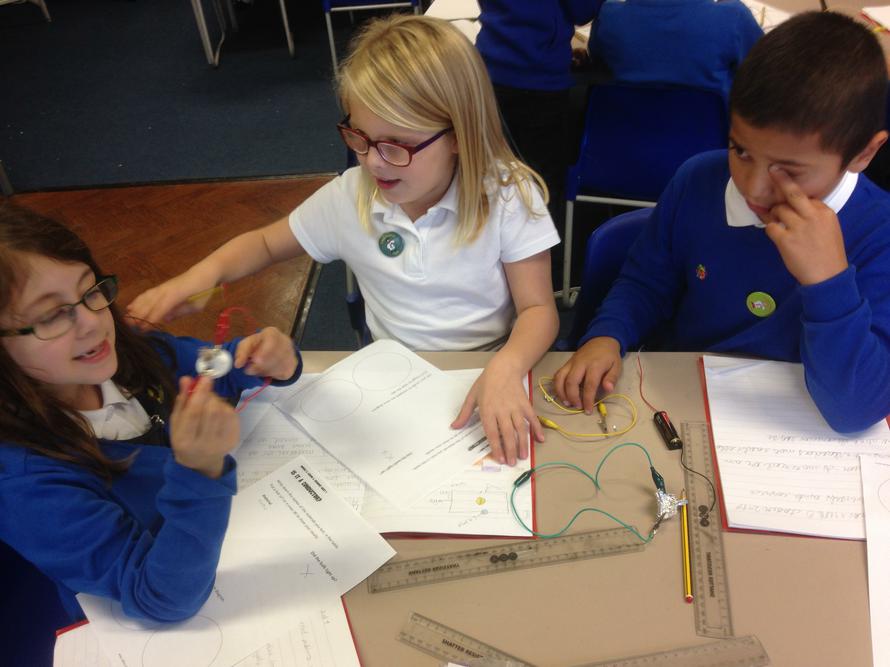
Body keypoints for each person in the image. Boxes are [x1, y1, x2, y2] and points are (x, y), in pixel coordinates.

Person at [128, 15, 560, 467]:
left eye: (396, 145)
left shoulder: (507, 195)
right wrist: (200, 277)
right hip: (393, 378)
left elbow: (538, 310)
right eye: (359, 137)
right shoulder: (351, 197)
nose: (373, 162)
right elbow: (265, 244)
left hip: (489, 368)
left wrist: (507, 366)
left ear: (457, 135)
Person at [554, 11, 890, 433]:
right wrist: (607, 334)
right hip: (683, 399)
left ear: (863, 154)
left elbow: (856, 409)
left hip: (799, 427)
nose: (753, 187)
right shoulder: (699, 179)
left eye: (789, 170)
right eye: (740, 150)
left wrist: (828, 282)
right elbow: (646, 282)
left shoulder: (879, 231)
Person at [0, 203, 302, 622]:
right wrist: (200, 470)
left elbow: (213, 369)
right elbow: (160, 598)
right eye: (52, 316)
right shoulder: (26, 481)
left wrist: (264, 359)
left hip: (224, 540)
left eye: (90, 292)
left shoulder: (133, 353)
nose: (92, 322)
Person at [476, 0, 604, 285]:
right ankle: (541, 276)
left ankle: (489, 265)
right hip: (540, 77)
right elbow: (582, 10)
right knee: (542, 181)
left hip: (490, 69)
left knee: (492, 173)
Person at [588, 0, 763, 102]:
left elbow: (598, 61)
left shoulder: (608, 16)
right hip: (709, 143)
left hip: (622, 138)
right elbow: (764, 75)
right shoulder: (733, 18)